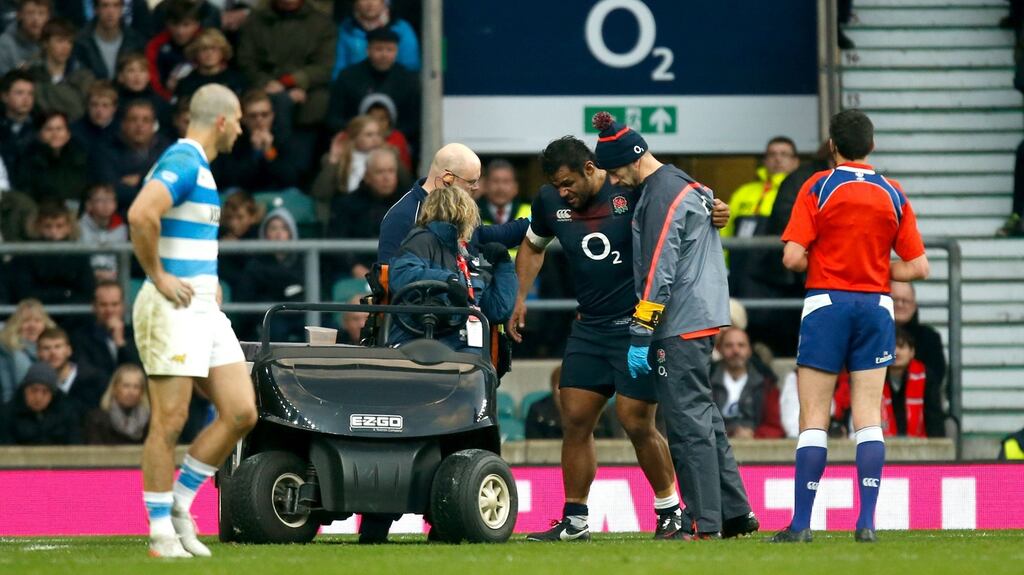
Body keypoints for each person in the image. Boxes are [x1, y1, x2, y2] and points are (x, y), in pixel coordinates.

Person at [515, 136, 720, 541]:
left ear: (591, 169)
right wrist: (519, 298)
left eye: (568, 182)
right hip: (589, 327)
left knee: (635, 421)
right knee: (573, 418)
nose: (563, 192)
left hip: (635, 327)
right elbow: (533, 246)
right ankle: (575, 521)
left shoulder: (630, 187)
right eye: (557, 186)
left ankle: (669, 512)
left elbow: (680, 207)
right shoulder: (547, 202)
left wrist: (715, 209)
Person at [767, 109, 930, 544]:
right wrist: (876, 266)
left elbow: (791, 258)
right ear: (872, 146)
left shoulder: (818, 186)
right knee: (868, 417)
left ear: (832, 147)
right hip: (876, 305)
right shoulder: (893, 192)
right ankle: (867, 523)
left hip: (826, 303)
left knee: (814, 417)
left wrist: (823, 259)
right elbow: (919, 267)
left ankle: (801, 525)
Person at [591, 112, 753, 540]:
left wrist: (641, 331)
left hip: (678, 320)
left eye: (613, 171)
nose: (613, 182)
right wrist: (719, 207)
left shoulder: (661, 194)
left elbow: (659, 268)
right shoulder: (679, 181)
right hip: (699, 313)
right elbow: (706, 197)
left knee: (686, 425)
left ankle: (705, 522)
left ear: (632, 159)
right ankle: (735, 513)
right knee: (705, 418)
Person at [126, 83, 256, 558]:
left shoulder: (198, 167)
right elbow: (142, 214)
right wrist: (158, 275)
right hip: (172, 306)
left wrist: (207, 281)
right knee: (170, 419)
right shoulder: (183, 161)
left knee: (241, 410)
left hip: (203, 305)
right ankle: (161, 534)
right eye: (239, 118)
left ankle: (180, 505)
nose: (242, 128)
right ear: (221, 121)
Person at [387, 183, 517, 351]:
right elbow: (401, 275)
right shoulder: (421, 241)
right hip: (420, 342)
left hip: (466, 349)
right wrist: (447, 280)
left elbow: (498, 310)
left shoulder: (467, 254)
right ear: (463, 213)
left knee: (477, 371)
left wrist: (504, 266)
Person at [377, 143, 529, 264]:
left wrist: (541, 217)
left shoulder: (464, 210)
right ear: (447, 179)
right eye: (471, 181)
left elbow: (490, 235)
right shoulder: (402, 215)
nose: (477, 187)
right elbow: (387, 279)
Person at [236, 0, 336, 128]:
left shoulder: (322, 24)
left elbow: (324, 67)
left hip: (308, 91)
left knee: (319, 105)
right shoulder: (255, 22)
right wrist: (267, 83)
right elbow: (246, 61)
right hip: (263, 87)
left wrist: (289, 82)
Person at [326, 27, 418, 145]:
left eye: (390, 50)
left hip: (393, 141)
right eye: (379, 49)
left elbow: (413, 122)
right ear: (368, 50)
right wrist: (360, 134)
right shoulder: (348, 76)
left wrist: (389, 136)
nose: (384, 54)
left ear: (397, 51)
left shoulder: (407, 79)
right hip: (354, 140)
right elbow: (334, 118)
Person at [326, 147, 401, 280]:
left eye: (391, 171)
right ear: (367, 176)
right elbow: (336, 242)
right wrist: (354, 267)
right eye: (380, 172)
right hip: (355, 276)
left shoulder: (409, 204)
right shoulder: (345, 205)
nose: (386, 178)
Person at [235, 207, 305, 342]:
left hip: (300, 316)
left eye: (284, 228)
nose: (279, 233)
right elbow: (248, 302)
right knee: (276, 329)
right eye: (273, 228)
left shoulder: (304, 261)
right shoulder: (255, 265)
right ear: (265, 234)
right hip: (271, 318)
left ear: (291, 233)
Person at [210, 88, 299, 192]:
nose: (259, 120)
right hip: (243, 196)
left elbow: (291, 179)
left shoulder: (284, 137)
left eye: (264, 115)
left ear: (272, 116)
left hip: (276, 194)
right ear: (243, 119)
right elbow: (230, 180)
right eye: (253, 116)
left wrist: (269, 152)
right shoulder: (232, 140)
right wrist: (255, 152)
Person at [10, 202, 95, 306]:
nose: (53, 231)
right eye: (47, 226)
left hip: (72, 314)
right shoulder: (25, 254)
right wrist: (65, 293)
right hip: (34, 314)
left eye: (59, 226)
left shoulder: (78, 255)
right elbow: (24, 292)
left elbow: (87, 291)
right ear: (38, 227)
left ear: (69, 227)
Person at [891, 280, 947, 437]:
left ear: (914, 305)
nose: (900, 304)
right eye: (895, 299)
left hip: (925, 412)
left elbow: (937, 376)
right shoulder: (872, 336)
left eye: (905, 300)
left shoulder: (930, 338)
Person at [93, 99, 169, 211]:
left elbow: (168, 188)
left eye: (146, 120)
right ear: (123, 124)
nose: (139, 125)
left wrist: (140, 179)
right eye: (133, 120)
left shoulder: (166, 150)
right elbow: (112, 192)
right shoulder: (106, 150)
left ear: (154, 125)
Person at [311, 114, 385, 223]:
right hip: (344, 216)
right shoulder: (338, 160)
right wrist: (333, 160)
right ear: (355, 137)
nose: (375, 139)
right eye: (369, 135)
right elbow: (320, 193)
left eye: (378, 134)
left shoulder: (388, 158)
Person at [525, 365, 621, 440]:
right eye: (560, 385)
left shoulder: (593, 409)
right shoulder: (538, 412)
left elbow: (606, 440)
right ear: (552, 388)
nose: (565, 391)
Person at [70, 280, 140, 384]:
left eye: (114, 304)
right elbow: (87, 374)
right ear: (94, 307)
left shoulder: (137, 334)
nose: (109, 310)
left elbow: (140, 370)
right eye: (103, 305)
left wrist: (120, 343)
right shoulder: (80, 337)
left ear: (123, 306)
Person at [15, 110, 89, 207]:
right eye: (49, 129)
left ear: (68, 133)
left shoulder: (80, 156)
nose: (55, 134)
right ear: (39, 134)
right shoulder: (28, 160)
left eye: (59, 129)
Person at [710, 328, 775, 439]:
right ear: (719, 349)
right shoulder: (706, 381)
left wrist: (755, 434)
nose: (735, 351)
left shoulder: (766, 382)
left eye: (741, 345)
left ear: (749, 350)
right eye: (729, 345)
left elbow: (774, 425)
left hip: (755, 447)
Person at [25, 17, 93, 121]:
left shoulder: (83, 76)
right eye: (60, 41)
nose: (66, 47)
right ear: (45, 43)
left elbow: (82, 112)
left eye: (69, 42)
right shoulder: (31, 74)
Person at [332, 0, 419, 79]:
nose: (370, 3)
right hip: (355, 89)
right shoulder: (346, 29)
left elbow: (410, 68)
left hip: (394, 89)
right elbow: (339, 68)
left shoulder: (402, 29)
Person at [0, 361, 81, 445]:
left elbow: (74, 446)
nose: (38, 398)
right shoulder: (8, 414)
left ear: (52, 394)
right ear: (25, 390)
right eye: (34, 390)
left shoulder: (66, 413)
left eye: (45, 392)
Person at [36, 325, 106, 416]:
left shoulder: (94, 380)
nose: (53, 353)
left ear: (69, 350)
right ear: (38, 353)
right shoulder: (33, 384)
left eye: (58, 347)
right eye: (46, 348)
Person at [72, 0, 145, 81]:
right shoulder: (81, 42)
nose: (110, 12)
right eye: (105, 6)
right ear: (96, 10)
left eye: (116, 5)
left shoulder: (135, 41)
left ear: (121, 10)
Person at [0, 298, 56, 403]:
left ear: (45, 324)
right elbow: (8, 393)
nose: (32, 326)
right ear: (16, 325)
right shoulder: (10, 352)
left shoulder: (55, 347)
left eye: (37, 321)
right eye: (26, 321)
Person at [144, 0, 201, 101]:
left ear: (196, 25)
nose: (180, 31)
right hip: (163, 100)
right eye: (175, 24)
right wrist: (166, 98)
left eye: (186, 25)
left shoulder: (206, 43)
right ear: (167, 24)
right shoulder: (155, 45)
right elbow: (152, 79)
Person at [83, 362, 149, 444]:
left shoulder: (150, 422)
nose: (131, 392)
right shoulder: (97, 420)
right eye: (126, 386)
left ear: (142, 392)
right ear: (115, 389)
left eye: (136, 387)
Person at [174, 28, 245, 102]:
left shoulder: (236, 80)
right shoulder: (186, 84)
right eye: (204, 49)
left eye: (213, 48)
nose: (209, 54)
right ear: (195, 53)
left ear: (222, 52)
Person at [78, 183, 127, 279]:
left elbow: (122, 261)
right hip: (86, 276)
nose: (106, 204)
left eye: (110, 200)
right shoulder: (79, 227)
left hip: (114, 278)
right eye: (100, 200)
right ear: (89, 205)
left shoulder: (122, 228)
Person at [359, 92, 410, 170]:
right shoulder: (356, 136)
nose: (377, 123)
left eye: (382, 119)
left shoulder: (397, 138)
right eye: (372, 118)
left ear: (389, 121)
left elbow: (406, 171)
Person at [0, 69, 36, 177]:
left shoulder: (42, 126)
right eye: (19, 93)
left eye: (30, 93)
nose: (26, 99)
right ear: (4, 97)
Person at [0, 0, 50, 75]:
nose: (35, 19)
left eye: (41, 13)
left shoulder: (52, 43)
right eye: (30, 13)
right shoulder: (4, 45)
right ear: (19, 15)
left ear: (48, 17)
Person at [479, 159, 529, 227]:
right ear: (485, 185)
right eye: (495, 181)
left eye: (506, 181)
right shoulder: (473, 213)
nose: (500, 187)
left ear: (516, 188)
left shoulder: (531, 212)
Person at [71, 80, 118, 150]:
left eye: (105, 105)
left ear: (114, 108)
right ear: (87, 106)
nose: (99, 110)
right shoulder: (74, 132)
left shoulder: (123, 132)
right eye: (94, 105)